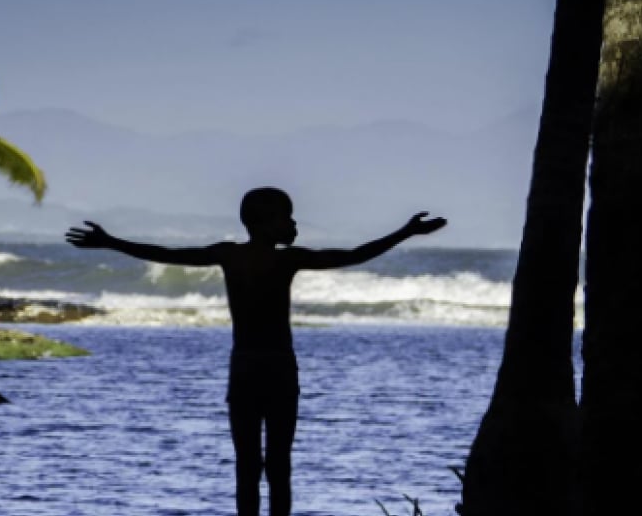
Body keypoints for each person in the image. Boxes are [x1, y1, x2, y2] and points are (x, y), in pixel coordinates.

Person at [65, 187, 446, 516]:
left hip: (245, 369)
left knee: (247, 465)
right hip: (279, 369)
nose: (294, 226)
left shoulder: (229, 254)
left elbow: (167, 254)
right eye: (288, 218)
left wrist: (112, 242)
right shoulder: (288, 259)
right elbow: (355, 255)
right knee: (279, 464)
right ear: (266, 222)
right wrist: (406, 231)